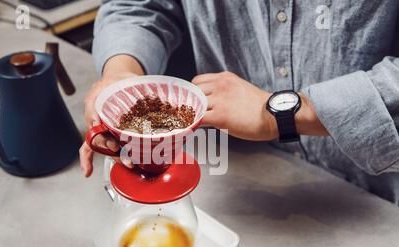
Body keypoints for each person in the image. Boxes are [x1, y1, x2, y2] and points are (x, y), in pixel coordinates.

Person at [79, 0, 399, 204]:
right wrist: (121, 72)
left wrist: (279, 113)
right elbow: (143, 6)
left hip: (377, 202)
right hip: (245, 181)